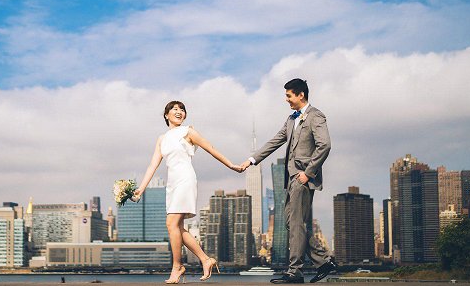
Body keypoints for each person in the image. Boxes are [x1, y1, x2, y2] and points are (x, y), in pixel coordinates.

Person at [239, 79, 337, 284]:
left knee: (295, 223)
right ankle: (324, 261)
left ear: (301, 95)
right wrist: (251, 160)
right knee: (291, 223)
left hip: (302, 177)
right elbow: (276, 140)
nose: (286, 100)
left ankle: (295, 272)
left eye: (289, 96)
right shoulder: (291, 119)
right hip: (291, 178)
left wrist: (308, 173)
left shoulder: (316, 116)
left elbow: (324, 145)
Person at [134, 100, 243, 284]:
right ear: (166, 115)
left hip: (185, 179)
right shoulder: (162, 138)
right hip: (172, 184)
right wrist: (140, 189)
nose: (179, 111)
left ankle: (177, 267)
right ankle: (205, 259)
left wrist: (231, 165)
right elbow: (153, 165)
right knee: (177, 227)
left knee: (171, 224)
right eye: (174, 109)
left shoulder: (189, 132)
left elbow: (212, 149)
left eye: (182, 109)